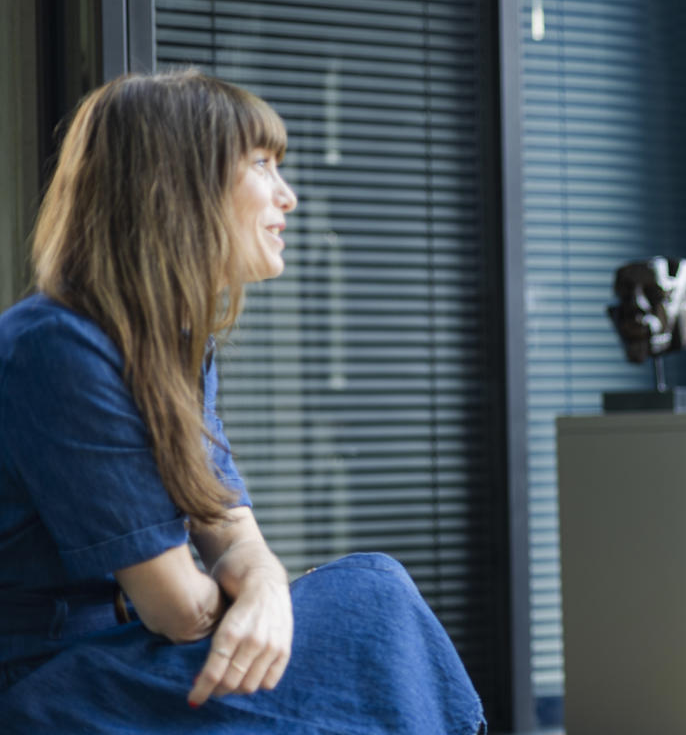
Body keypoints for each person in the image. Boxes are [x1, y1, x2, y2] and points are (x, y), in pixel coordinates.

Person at [0, 70, 485, 733]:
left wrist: (267, 593)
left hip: (136, 649)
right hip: (56, 672)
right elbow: (176, 608)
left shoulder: (176, 345)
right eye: (262, 166)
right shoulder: (56, 346)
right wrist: (266, 611)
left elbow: (232, 533)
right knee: (371, 596)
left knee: (373, 597)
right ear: (177, 186)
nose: (287, 197)